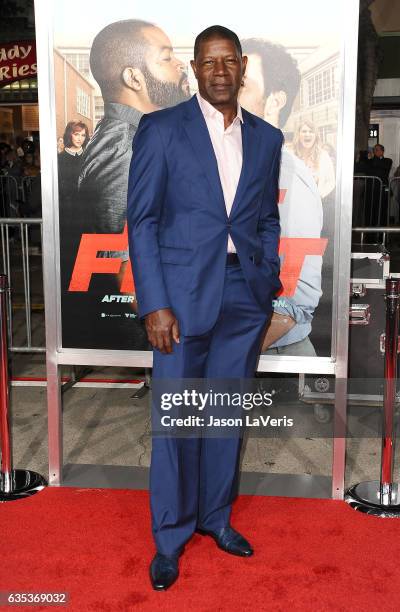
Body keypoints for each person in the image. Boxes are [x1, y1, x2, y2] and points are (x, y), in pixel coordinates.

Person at [128, 25, 283, 590]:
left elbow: (266, 216)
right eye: (208, 62)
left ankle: (216, 519)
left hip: (244, 297)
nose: (219, 71)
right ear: (195, 69)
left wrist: (265, 279)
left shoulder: (266, 138)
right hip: (180, 300)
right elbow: (142, 221)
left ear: (241, 66)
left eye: (228, 61)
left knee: (224, 417)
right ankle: (170, 535)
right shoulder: (161, 129)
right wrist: (155, 303)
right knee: (177, 421)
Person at [62, 19, 190, 350]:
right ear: (133, 77)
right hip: (160, 334)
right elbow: (123, 264)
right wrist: (164, 320)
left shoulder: (143, 136)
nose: (179, 65)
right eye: (165, 57)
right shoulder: (126, 146)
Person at [239, 39, 323, 356]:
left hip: (274, 359)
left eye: (242, 83)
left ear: (275, 99)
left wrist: (229, 359)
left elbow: (294, 304)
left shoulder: (288, 176)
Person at [292, 120, 335, 199]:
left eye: (311, 131)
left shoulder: (323, 156)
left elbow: (331, 181)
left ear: (316, 136)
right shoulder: (291, 155)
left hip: (315, 204)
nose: (307, 134)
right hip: (294, 203)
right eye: (304, 131)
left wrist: (320, 195)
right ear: (298, 135)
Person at [58, 120, 89, 203]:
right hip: (66, 205)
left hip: (85, 205)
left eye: (83, 135)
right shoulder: (59, 158)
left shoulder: (89, 158)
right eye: (76, 134)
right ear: (69, 135)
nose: (80, 138)